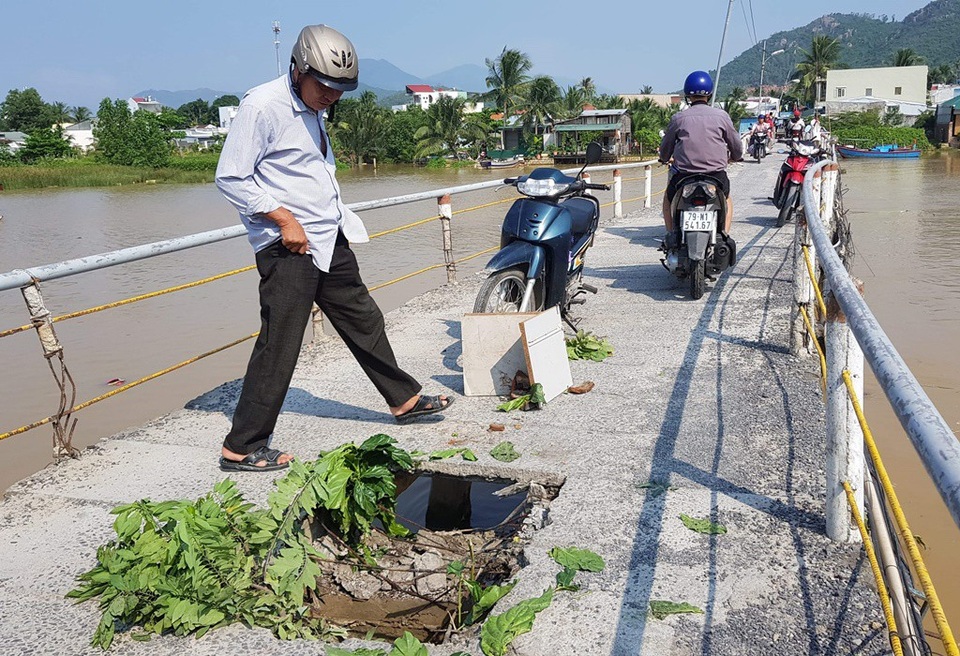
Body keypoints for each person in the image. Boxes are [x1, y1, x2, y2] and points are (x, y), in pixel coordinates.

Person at [214, 24, 452, 472]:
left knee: (363, 316)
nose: (331, 95)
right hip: (288, 244)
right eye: (324, 85)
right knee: (281, 343)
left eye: (340, 88)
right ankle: (242, 445)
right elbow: (231, 177)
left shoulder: (312, 108)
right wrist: (284, 219)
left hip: (327, 236)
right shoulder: (263, 106)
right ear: (298, 68)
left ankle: (403, 399)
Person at [658, 70, 743, 237]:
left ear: (687, 94)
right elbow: (736, 145)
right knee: (726, 200)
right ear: (709, 94)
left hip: (683, 176)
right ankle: (724, 234)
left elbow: (666, 147)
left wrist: (664, 158)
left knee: (668, 199)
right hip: (716, 176)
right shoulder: (721, 116)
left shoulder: (679, 118)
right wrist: (735, 156)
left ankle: (671, 234)